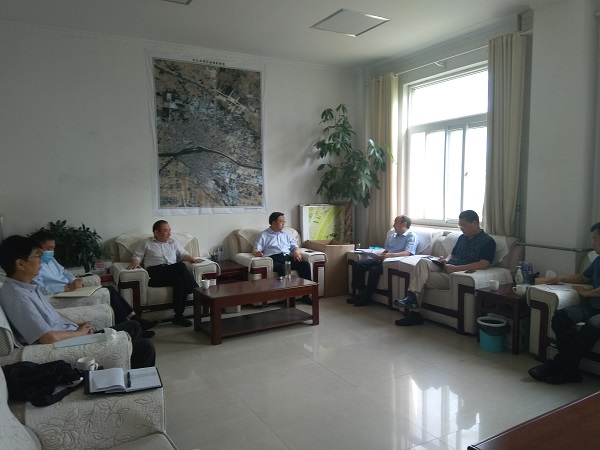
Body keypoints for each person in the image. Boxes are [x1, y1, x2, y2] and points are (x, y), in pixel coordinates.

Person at [0, 235, 155, 369]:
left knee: (133, 326)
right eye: (36, 257)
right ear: (20, 264)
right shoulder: (18, 297)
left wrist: (76, 324)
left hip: (72, 334)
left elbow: (53, 315)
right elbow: (47, 338)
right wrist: (78, 333)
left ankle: (126, 365)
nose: (41, 261)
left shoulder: (28, 286)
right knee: (145, 348)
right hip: (68, 343)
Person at [29, 230, 158, 336]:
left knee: (110, 292)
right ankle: (136, 323)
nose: (52, 252)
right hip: (61, 294)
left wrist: (73, 280)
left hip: (72, 289)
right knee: (109, 292)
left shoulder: (50, 260)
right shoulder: (34, 266)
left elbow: (64, 271)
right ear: (38, 249)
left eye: (53, 248)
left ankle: (135, 325)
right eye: (49, 248)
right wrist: (66, 288)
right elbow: (40, 288)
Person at [394, 210, 496, 326]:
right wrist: (446, 260)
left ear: (474, 223)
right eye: (460, 225)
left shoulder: (487, 242)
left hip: (456, 275)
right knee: (423, 262)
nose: (461, 228)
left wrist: (455, 268)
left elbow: (483, 264)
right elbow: (453, 253)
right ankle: (411, 299)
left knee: (419, 278)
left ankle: (414, 314)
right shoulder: (462, 237)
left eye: (464, 225)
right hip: (447, 267)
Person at [528, 222, 600, 384]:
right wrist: (561, 278)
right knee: (561, 316)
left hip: (595, 309)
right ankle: (571, 371)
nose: (593, 243)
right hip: (593, 307)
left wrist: (587, 293)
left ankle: (557, 365)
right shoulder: (598, 260)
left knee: (592, 326)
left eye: (595, 239)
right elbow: (583, 278)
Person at [128, 220, 202, 327]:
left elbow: (183, 254)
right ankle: (196, 290)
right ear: (156, 232)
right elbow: (137, 256)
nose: (169, 233)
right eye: (166, 231)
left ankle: (178, 316)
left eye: (169, 230)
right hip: (155, 274)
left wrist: (191, 259)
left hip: (170, 272)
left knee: (180, 281)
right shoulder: (146, 243)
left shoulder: (173, 242)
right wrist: (135, 262)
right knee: (181, 266)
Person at [348, 215, 418, 307]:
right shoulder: (392, 236)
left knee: (374, 270)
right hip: (384, 259)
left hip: (392, 262)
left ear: (404, 224)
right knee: (358, 264)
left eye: (395, 223)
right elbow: (386, 250)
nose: (393, 225)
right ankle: (360, 293)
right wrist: (379, 257)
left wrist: (390, 255)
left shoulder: (411, 236)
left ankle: (367, 298)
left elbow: (408, 253)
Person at [252, 212, 312, 303]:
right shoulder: (264, 235)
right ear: (273, 223)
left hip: (287, 257)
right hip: (274, 259)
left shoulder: (286, 235)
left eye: (284, 221)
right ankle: (287, 297)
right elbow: (255, 250)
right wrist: (258, 253)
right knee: (283, 268)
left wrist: (296, 252)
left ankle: (306, 296)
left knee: (305, 265)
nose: (283, 224)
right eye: (280, 221)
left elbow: (295, 246)